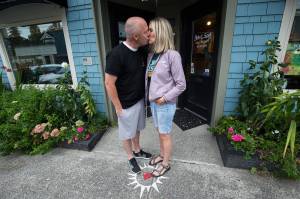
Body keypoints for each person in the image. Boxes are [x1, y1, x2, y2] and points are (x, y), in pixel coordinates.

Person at [105, 17, 152, 174]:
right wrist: (118, 107)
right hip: (125, 104)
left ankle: (137, 149)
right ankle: (130, 157)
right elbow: (109, 83)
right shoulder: (116, 54)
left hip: (139, 100)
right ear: (136, 37)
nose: (149, 33)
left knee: (136, 128)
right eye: (146, 31)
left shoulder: (142, 50)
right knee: (126, 133)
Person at [146, 17, 186, 177]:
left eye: (150, 29)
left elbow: (181, 84)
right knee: (160, 132)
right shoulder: (152, 55)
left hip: (165, 103)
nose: (147, 33)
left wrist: (164, 98)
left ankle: (165, 163)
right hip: (154, 103)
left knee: (165, 133)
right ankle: (162, 156)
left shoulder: (172, 55)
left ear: (161, 31)